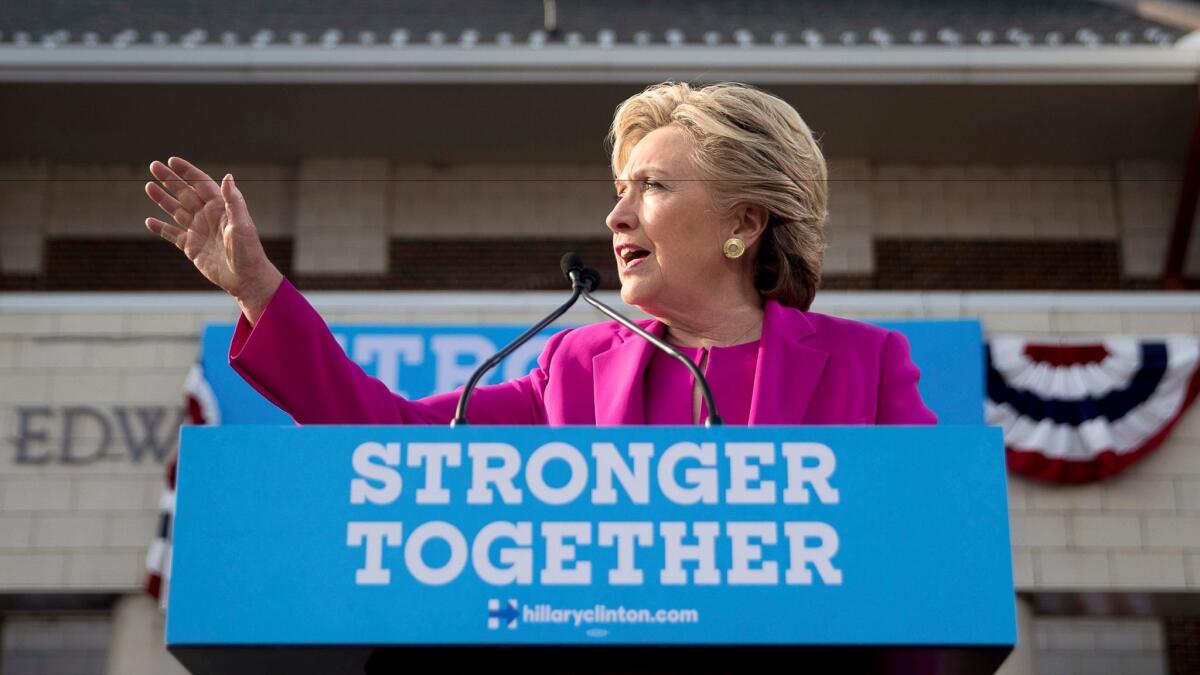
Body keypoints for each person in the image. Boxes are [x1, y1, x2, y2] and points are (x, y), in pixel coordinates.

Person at [143, 81, 937, 426]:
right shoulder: (574, 372)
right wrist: (258, 288)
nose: (615, 212)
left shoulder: (868, 368)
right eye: (618, 187)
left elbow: (929, 557)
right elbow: (382, 430)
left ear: (747, 219)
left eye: (651, 185)